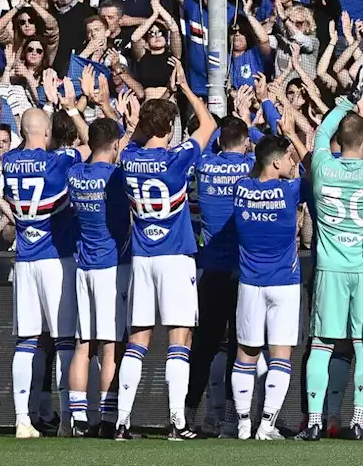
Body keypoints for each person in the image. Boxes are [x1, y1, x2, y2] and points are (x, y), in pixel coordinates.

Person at [114, 61, 216, 441]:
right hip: (174, 257)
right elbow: (208, 126)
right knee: (180, 340)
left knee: (138, 341)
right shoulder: (177, 159)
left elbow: (127, 143)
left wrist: (134, 124)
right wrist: (188, 90)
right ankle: (177, 422)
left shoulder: (128, 159)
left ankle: (122, 422)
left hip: (143, 257)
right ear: (169, 128)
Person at [300, 85, 363, 441]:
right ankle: (360, 420)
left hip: (330, 269)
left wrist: (343, 103)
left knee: (321, 345)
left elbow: (320, 133)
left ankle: (315, 420)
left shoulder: (322, 165)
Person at [2, 107, 89, 439]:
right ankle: (67, 419)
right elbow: (91, 142)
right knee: (64, 339)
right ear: (48, 131)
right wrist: (70, 107)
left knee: (27, 341)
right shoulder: (59, 160)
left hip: (25, 258)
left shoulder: (9, 162)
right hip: (56, 256)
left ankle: (22, 419)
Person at [186, 115, 259, 435]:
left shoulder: (204, 164)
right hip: (242, 271)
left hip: (209, 269)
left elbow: (207, 138)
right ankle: (230, 415)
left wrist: (221, 127)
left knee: (203, 345)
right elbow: (272, 150)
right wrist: (252, 123)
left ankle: (188, 413)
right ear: (245, 143)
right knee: (239, 345)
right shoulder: (251, 166)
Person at [230, 132, 304, 440]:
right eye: (287, 157)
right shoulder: (290, 190)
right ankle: (267, 425)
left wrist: (270, 140)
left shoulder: (240, 189)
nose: (292, 161)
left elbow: (259, 163)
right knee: (280, 356)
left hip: (250, 283)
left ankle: (244, 423)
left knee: (245, 355)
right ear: (276, 162)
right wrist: (284, 128)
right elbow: (311, 164)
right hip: (284, 283)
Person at [67, 117, 132, 437]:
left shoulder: (75, 173)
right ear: (117, 143)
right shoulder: (116, 177)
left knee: (83, 344)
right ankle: (107, 420)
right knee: (110, 346)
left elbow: (88, 148)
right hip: (110, 265)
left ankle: (78, 419)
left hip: (84, 266)